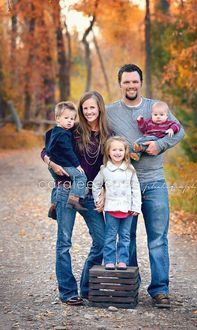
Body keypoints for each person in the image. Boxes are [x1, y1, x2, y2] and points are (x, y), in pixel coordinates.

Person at [106, 64, 185, 308]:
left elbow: (179, 131)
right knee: (126, 238)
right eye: (126, 82)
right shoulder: (110, 113)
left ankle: (160, 290)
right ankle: (129, 287)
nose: (131, 86)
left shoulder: (156, 107)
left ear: (141, 83)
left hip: (154, 182)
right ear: (120, 84)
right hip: (124, 185)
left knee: (157, 239)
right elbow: (100, 141)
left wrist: (159, 146)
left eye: (135, 82)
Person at [41, 91, 110, 305]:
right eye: (85, 108)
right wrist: (51, 163)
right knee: (64, 243)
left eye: (93, 107)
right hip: (66, 190)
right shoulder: (73, 129)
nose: (89, 111)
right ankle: (68, 292)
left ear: (99, 108)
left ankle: (87, 287)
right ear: (81, 110)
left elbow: (112, 164)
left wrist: (105, 191)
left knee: (102, 240)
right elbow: (46, 149)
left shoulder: (108, 134)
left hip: (90, 193)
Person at [92, 136, 141, 270]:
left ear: (125, 152)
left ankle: (122, 261)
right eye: (114, 150)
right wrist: (98, 200)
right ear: (108, 152)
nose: (117, 152)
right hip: (111, 209)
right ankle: (109, 260)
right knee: (110, 236)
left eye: (121, 150)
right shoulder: (105, 169)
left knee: (125, 236)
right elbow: (95, 185)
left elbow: (136, 189)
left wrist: (136, 207)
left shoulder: (130, 169)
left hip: (127, 209)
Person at [45, 101, 87, 212]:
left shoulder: (53, 132)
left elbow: (47, 145)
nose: (70, 121)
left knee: (58, 182)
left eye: (72, 119)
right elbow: (68, 151)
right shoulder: (64, 134)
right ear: (57, 118)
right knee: (81, 177)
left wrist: (50, 160)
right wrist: (77, 165)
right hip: (63, 164)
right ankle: (74, 200)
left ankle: (54, 204)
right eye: (66, 118)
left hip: (53, 163)